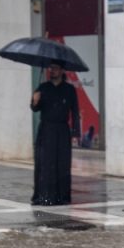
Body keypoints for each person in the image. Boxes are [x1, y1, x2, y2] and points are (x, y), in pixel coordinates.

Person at [30, 61, 80, 205]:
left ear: (62, 70)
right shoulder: (43, 88)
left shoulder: (69, 89)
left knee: (62, 164)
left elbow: (75, 111)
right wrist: (35, 101)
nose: (52, 71)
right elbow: (35, 108)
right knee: (45, 163)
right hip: (46, 130)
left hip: (62, 130)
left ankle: (62, 197)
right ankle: (44, 196)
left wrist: (75, 133)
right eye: (51, 68)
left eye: (55, 68)